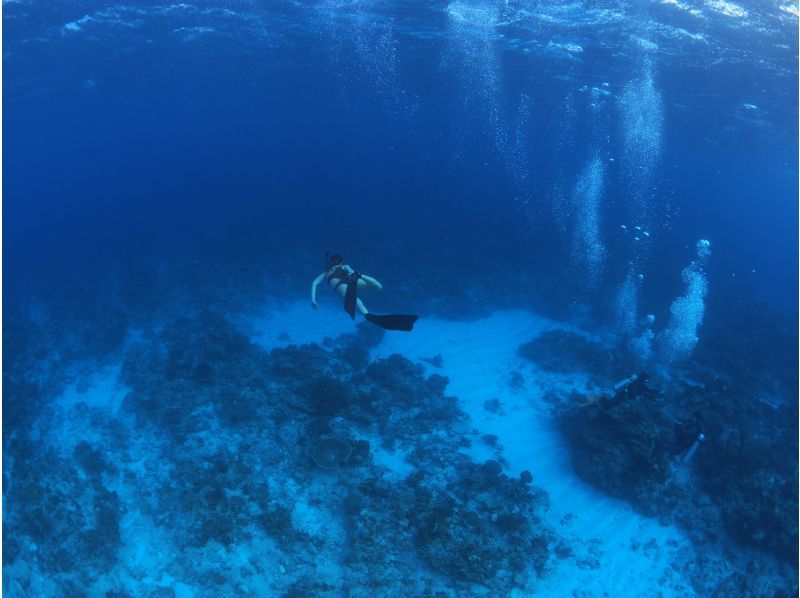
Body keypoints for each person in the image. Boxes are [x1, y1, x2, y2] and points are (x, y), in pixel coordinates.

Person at [311, 254, 419, 331]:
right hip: (350, 279)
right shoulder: (343, 266)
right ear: (340, 262)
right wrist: (352, 272)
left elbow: (314, 283)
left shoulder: (325, 273)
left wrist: (313, 300)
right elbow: (348, 269)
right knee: (377, 287)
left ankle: (368, 315)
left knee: (357, 303)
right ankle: (359, 274)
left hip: (341, 285)